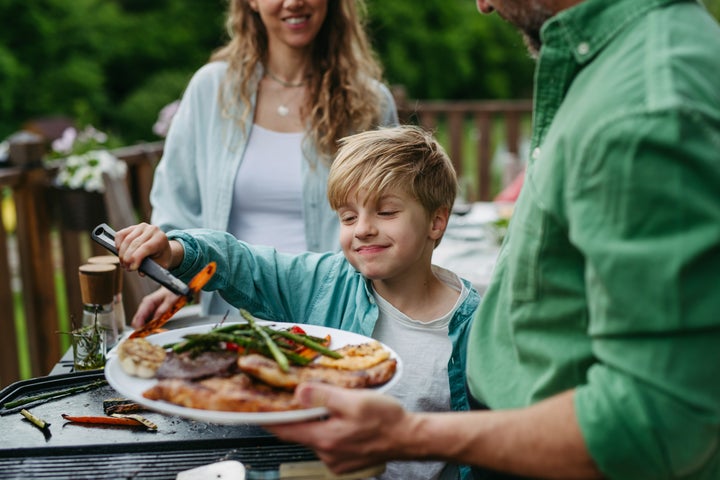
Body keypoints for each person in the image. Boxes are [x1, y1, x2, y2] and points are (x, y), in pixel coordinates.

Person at [260, 0, 719, 479]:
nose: (482, 5)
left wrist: (407, 436)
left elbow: (656, 422)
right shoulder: (617, 66)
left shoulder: (648, 102)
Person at [116, 126, 482, 480]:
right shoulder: (324, 281)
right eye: (349, 217)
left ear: (437, 221)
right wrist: (176, 250)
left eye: (386, 212)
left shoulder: (479, 325)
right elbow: (240, 261)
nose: (363, 229)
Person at [135, 0, 398, 327]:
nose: (294, 3)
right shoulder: (211, 89)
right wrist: (176, 278)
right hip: (228, 317)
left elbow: (390, 218)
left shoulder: (369, 102)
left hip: (333, 319)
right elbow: (177, 205)